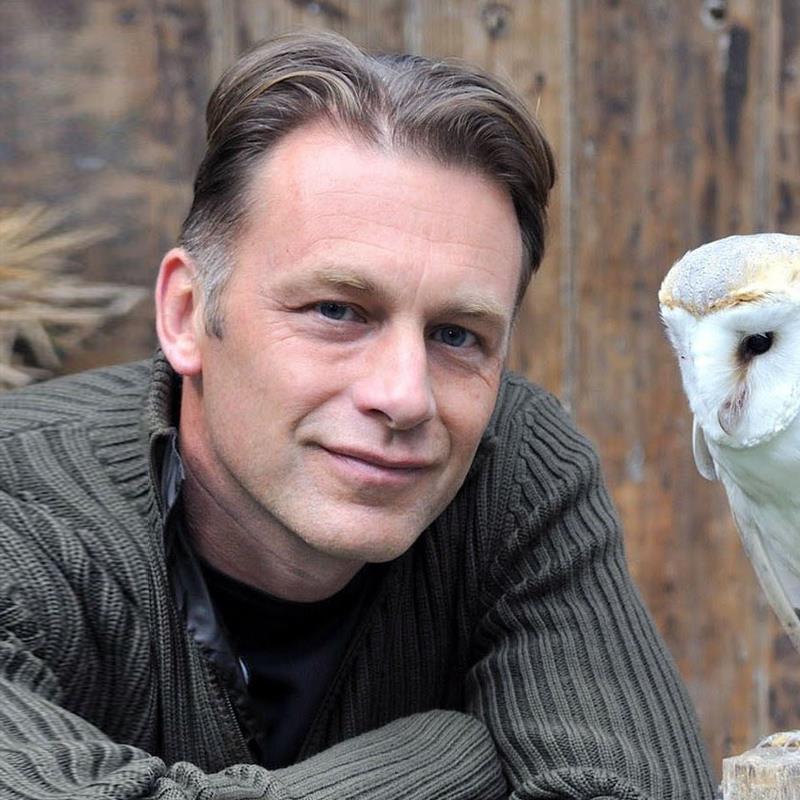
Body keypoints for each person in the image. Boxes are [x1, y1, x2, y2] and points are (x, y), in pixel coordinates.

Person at [0, 30, 714, 800]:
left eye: (456, 335)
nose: (405, 396)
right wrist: (445, 761)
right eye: (337, 310)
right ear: (186, 314)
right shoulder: (21, 507)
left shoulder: (513, 468)